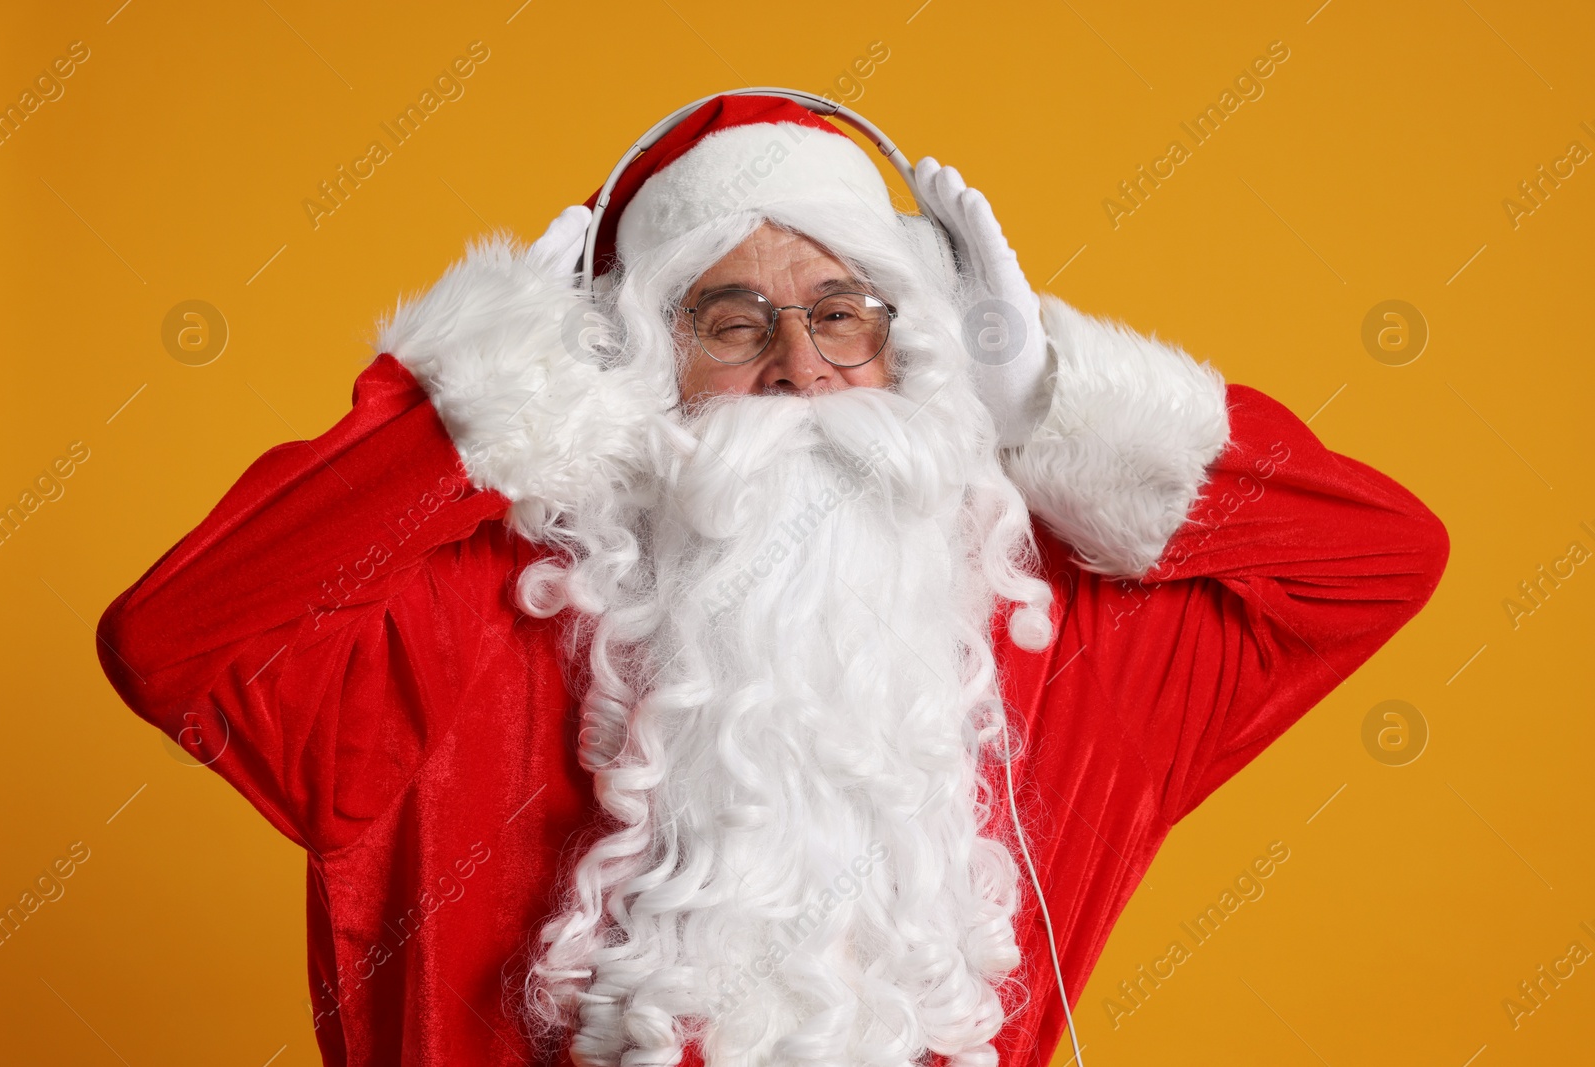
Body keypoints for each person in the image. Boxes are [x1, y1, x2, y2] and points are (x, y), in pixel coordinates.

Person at [96, 94, 1448, 1067]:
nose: (801, 371)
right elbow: (177, 640)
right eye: (731, 322)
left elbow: (1379, 560)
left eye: (842, 312)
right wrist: (488, 401)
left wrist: (1051, 399)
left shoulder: (1056, 654)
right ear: (633, 368)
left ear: (915, 346)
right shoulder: (461, 642)